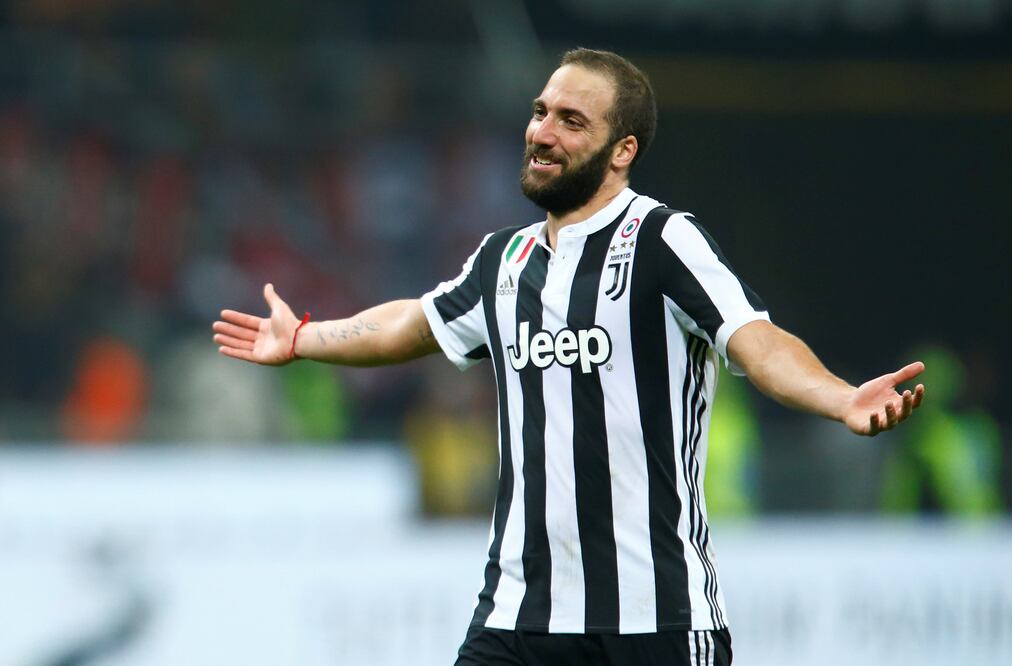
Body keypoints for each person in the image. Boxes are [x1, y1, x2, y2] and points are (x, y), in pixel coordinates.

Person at [212, 48, 926, 666]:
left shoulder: (661, 240)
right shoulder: (505, 259)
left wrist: (839, 397)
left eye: (571, 121)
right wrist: (304, 338)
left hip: (655, 621)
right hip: (520, 619)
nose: (542, 133)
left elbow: (758, 342)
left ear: (623, 151)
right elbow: (416, 323)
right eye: (540, 111)